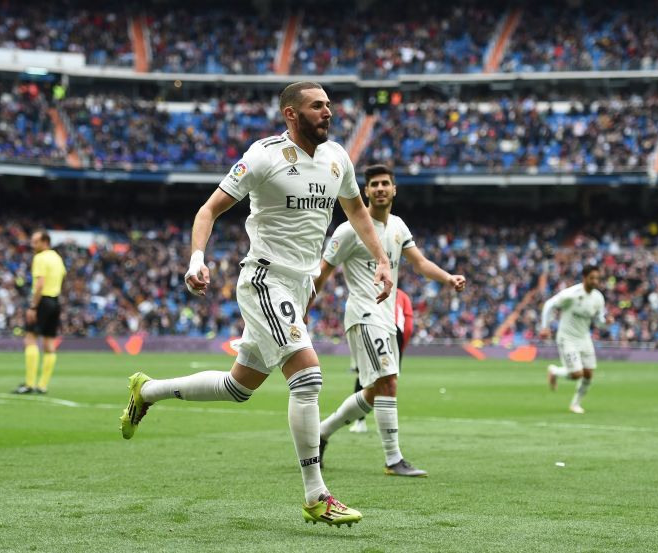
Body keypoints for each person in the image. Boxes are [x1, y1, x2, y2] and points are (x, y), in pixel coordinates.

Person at [119, 82, 393, 527]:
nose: (328, 112)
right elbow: (208, 211)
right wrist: (196, 259)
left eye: (328, 105)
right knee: (307, 377)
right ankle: (316, 495)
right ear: (291, 114)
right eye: (317, 106)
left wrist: (381, 259)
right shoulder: (264, 155)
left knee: (238, 387)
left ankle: (146, 391)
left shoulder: (337, 157)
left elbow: (357, 211)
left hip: (299, 286)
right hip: (265, 279)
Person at [311, 164, 466, 477]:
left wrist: (448, 278)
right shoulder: (348, 230)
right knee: (389, 382)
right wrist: (302, 310)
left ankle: (321, 433)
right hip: (364, 315)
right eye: (374, 185)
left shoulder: (397, 226)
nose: (380, 189)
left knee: (373, 391)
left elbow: (420, 263)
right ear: (366, 191)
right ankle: (393, 459)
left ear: (394, 190)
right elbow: (323, 273)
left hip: (387, 317)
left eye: (385, 184)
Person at [539, 265, 610, 414]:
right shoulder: (571, 294)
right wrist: (545, 327)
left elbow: (598, 322)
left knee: (589, 374)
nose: (595, 281)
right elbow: (549, 305)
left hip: (584, 338)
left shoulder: (598, 298)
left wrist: (606, 322)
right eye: (592, 278)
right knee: (577, 374)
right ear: (585, 278)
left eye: (597, 278)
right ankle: (555, 371)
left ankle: (575, 404)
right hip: (567, 338)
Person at [348, 287, 413, 434]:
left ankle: (360, 422)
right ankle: (386, 424)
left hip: (372, 327)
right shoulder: (403, 295)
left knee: (363, 376)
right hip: (395, 333)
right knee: (390, 380)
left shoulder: (371, 289)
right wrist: (401, 346)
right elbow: (408, 325)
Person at [13, 231, 66, 394]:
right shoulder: (57, 258)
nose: (32, 245)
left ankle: (29, 384)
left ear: (45, 242)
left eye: (35, 242)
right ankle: (42, 386)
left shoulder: (40, 258)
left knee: (30, 339)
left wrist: (33, 307)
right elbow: (63, 276)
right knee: (49, 344)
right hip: (55, 301)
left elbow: (40, 284)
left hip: (42, 301)